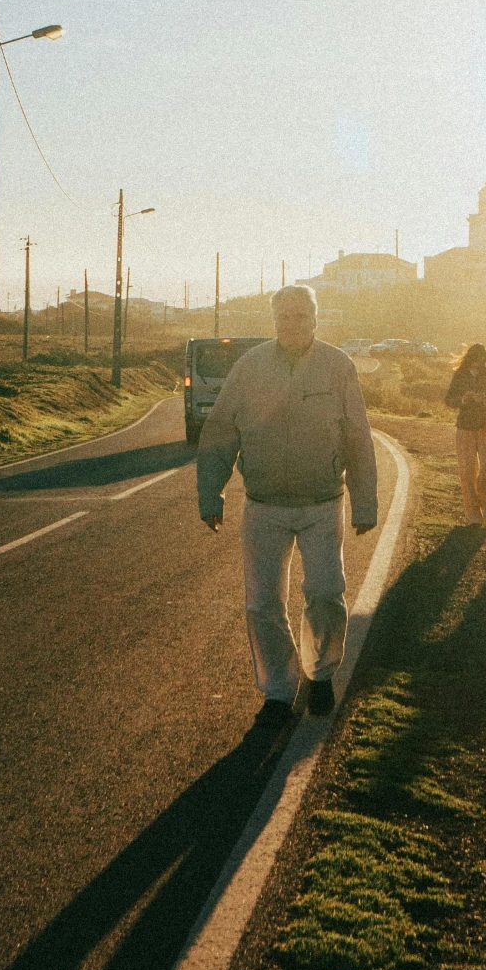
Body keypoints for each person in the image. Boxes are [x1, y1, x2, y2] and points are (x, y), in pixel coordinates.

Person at [197, 284, 377, 725]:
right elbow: (221, 431)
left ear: (316, 320)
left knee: (324, 594)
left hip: (321, 503)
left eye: (302, 316)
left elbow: (357, 435)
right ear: (274, 321)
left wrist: (365, 500)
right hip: (264, 506)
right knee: (262, 604)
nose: (294, 324)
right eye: (285, 317)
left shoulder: (338, 366)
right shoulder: (250, 366)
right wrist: (210, 492)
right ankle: (278, 692)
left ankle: (320, 675)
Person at [444, 341, 486, 524]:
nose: (478, 362)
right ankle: (472, 512)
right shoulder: (459, 375)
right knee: (467, 471)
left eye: (482, 359)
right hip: (465, 427)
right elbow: (449, 400)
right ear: (470, 358)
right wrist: (464, 399)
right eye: (476, 358)